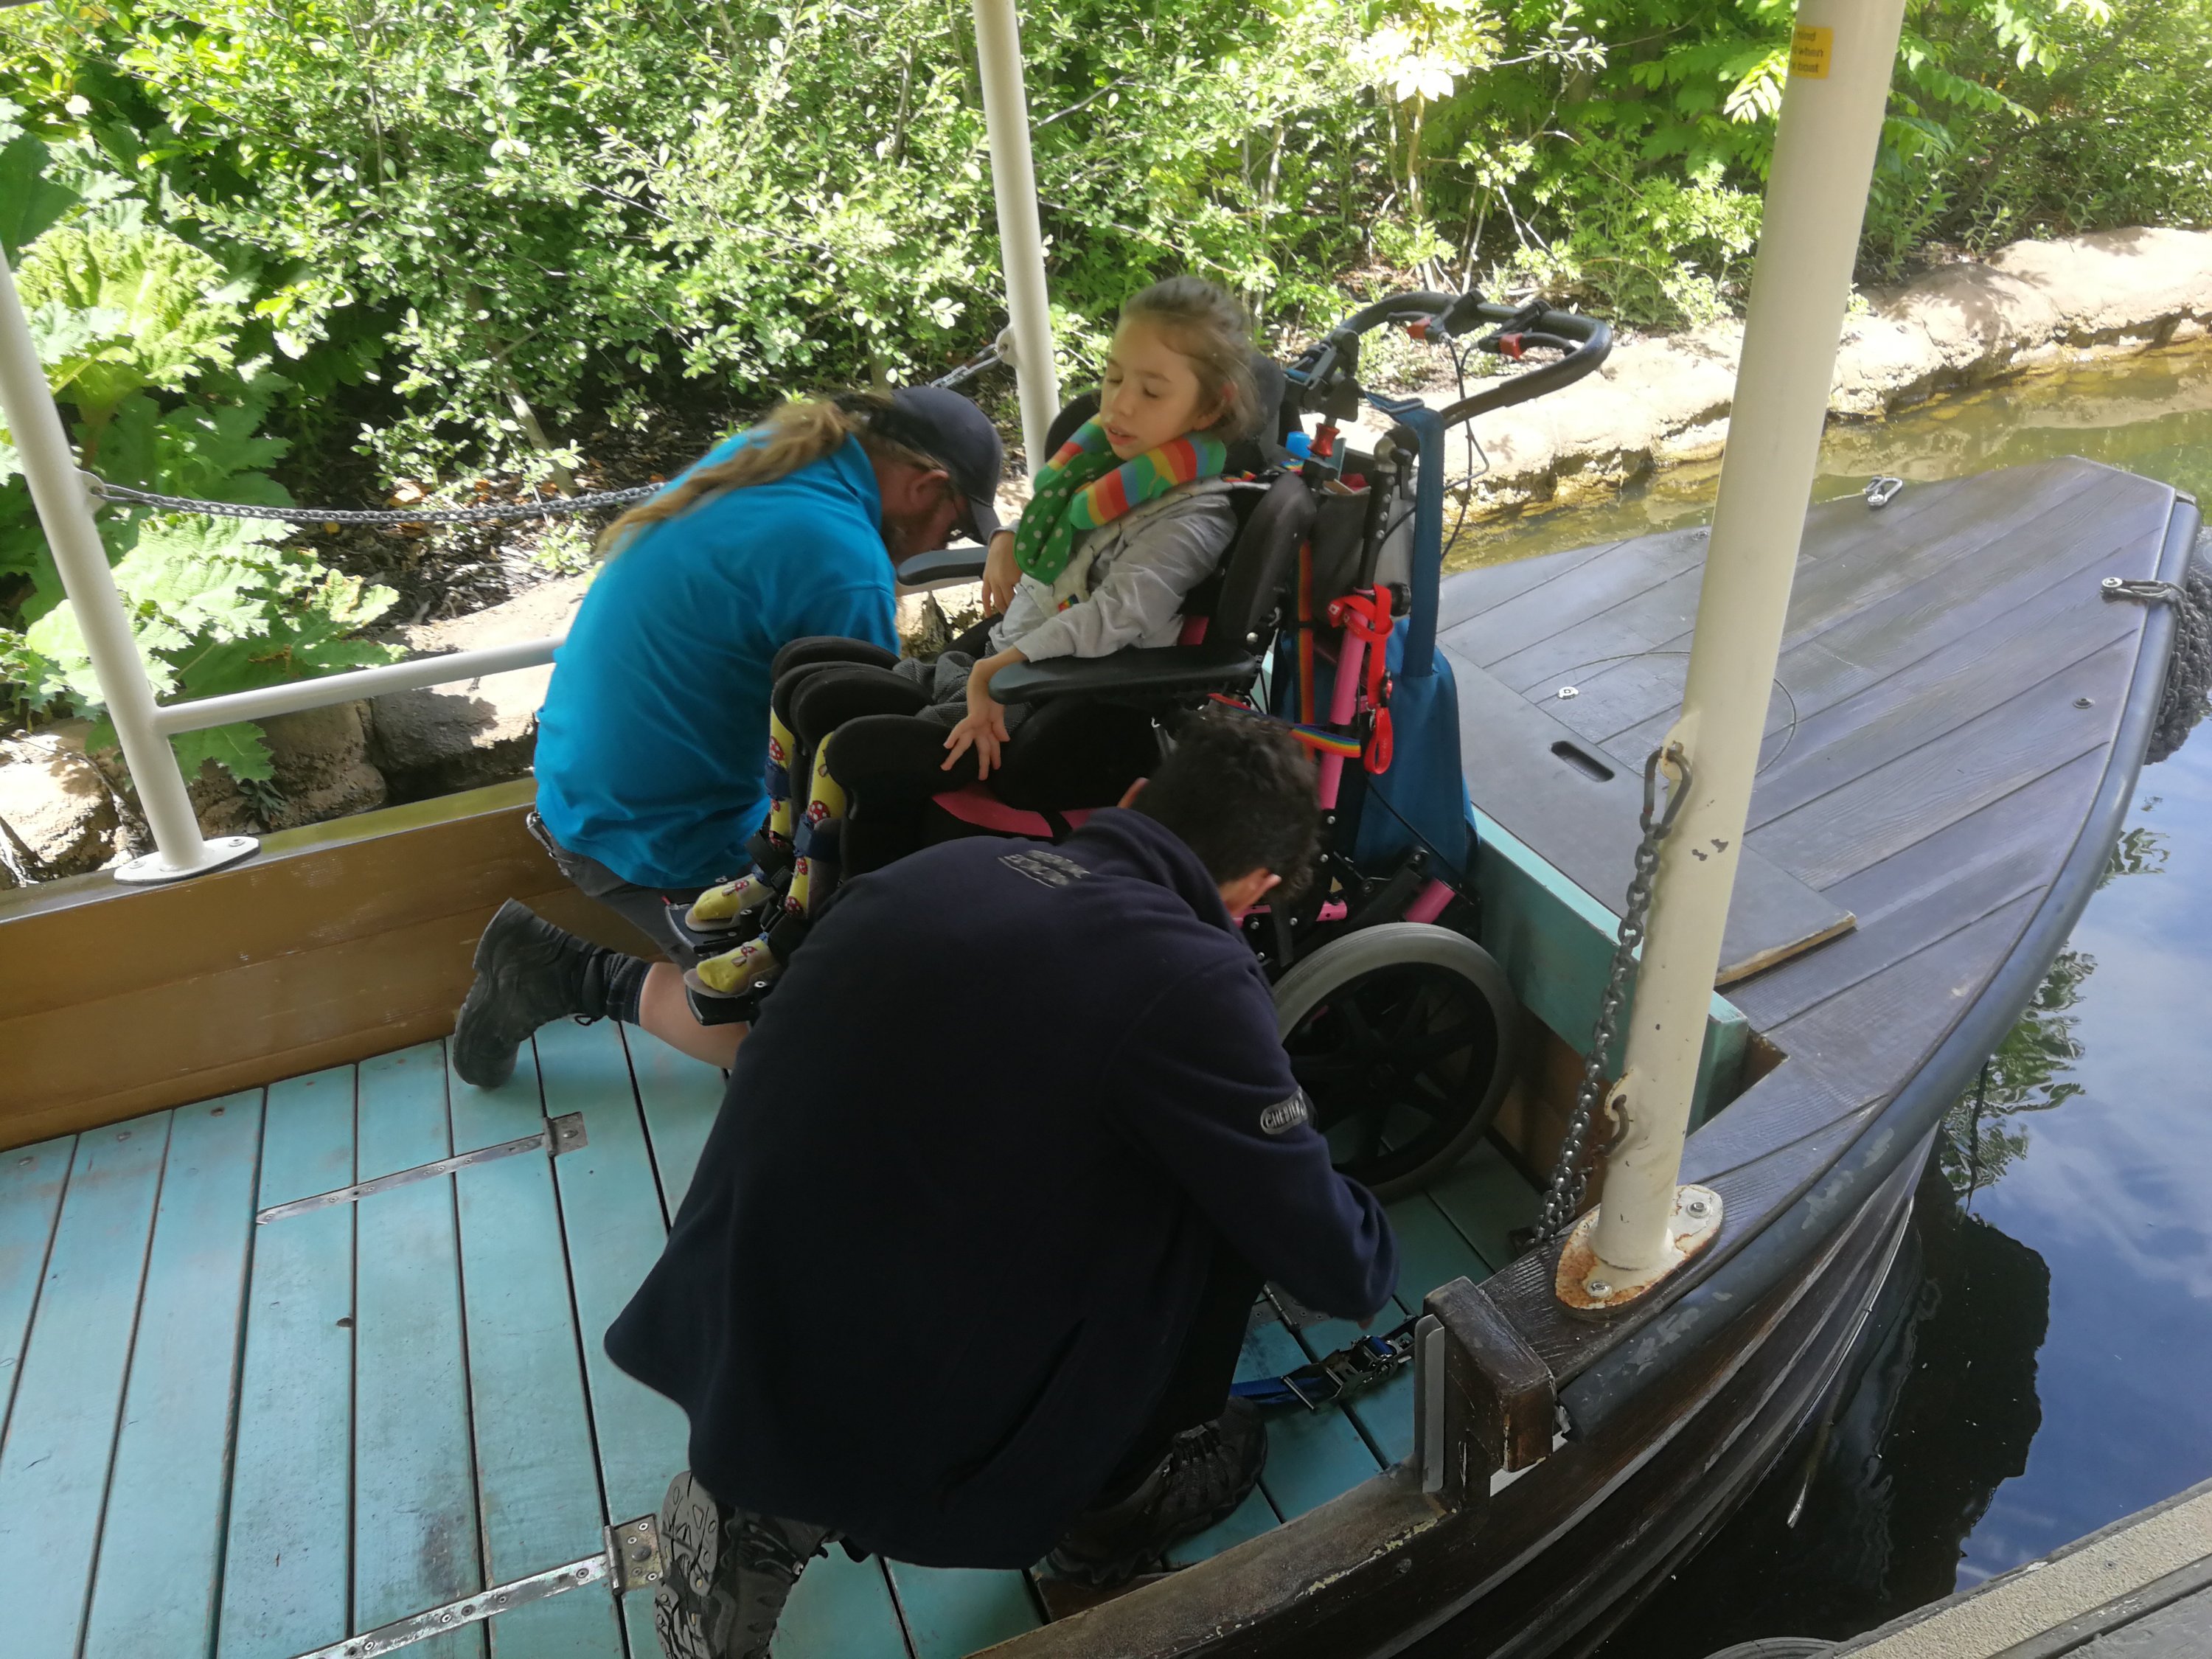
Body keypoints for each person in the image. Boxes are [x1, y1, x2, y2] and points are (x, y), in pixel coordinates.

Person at [605, 709, 1399, 1659]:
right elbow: (1338, 1267)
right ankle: (1111, 1510)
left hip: (736, 1302)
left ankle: (760, 1490)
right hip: (910, 1384)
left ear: (1135, 800)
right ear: (1258, 888)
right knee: (1209, 1217)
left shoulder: (938, 869)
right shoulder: (1193, 979)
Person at [682, 276, 1262, 995]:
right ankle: (782, 869)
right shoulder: (1114, 471)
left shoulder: (1193, 516)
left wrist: (1000, 671)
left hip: (1060, 716)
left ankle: (813, 935)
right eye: (1113, 377)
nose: (1118, 403)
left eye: (1150, 389)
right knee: (803, 674)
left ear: (1208, 408)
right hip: (995, 668)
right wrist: (1009, 536)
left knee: (854, 748)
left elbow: (1118, 618)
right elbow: (1056, 554)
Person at [449, 386, 1005, 1086]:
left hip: (584, 775)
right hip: (656, 830)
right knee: (814, 1063)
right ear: (927, 487)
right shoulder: (842, 559)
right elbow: (865, 767)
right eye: (952, 529)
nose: (939, 548)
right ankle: (566, 974)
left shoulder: (778, 456)